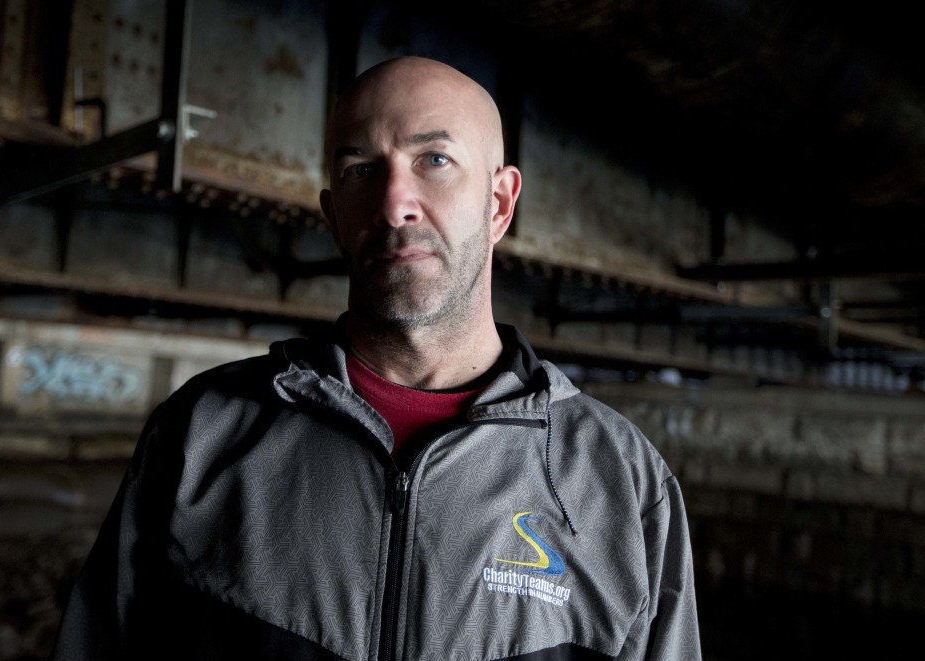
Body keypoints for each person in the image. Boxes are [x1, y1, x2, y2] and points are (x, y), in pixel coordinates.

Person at [52, 55, 701, 660]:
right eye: (361, 168)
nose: (394, 203)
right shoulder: (200, 432)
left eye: (435, 159)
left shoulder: (621, 484)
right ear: (333, 215)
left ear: (499, 202)